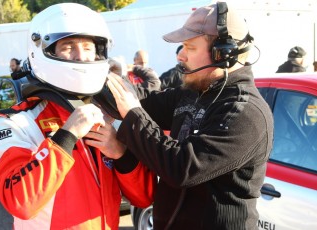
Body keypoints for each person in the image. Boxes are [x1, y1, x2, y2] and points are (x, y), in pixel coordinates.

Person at [0, 3, 155, 229]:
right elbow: (19, 201)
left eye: (87, 47)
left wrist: (120, 153)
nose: (81, 56)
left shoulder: (108, 114)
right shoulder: (15, 123)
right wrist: (66, 136)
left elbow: (144, 197)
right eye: (68, 46)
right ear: (46, 51)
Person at [106, 1, 274, 229]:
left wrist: (134, 114)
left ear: (223, 54)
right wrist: (92, 77)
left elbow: (182, 168)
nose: (181, 55)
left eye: (190, 47)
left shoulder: (245, 112)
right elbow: (138, 101)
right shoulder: (194, 92)